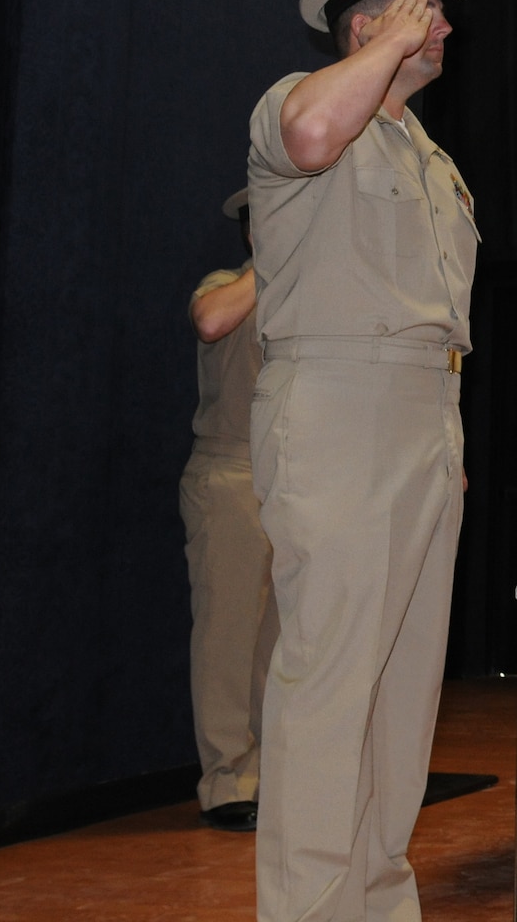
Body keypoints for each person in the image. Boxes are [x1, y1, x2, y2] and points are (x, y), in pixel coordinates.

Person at [246, 0, 474, 921]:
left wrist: (448, 439)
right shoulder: (302, 112)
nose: (442, 26)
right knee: (329, 682)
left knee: (402, 691)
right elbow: (306, 135)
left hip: (429, 412)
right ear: (362, 21)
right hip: (337, 407)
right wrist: (379, 49)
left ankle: (377, 902)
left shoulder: (431, 158)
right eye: (422, 10)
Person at [180, 188, 277, 833]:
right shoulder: (229, 282)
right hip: (233, 471)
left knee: (281, 645)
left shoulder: (309, 288)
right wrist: (272, 263)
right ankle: (226, 782)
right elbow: (212, 320)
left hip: (297, 480)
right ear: (253, 231)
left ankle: (275, 775)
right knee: (228, 638)